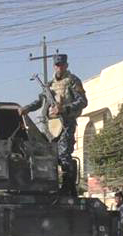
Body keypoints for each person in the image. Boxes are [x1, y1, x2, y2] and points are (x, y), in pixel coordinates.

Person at [19, 53, 88, 194]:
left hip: (66, 123)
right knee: (48, 154)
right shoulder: (49, 85)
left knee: (64, 154)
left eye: (62, 65)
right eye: (57, 65)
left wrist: (65, 108)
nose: (59, 68)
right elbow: (40, 101)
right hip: (50, 126)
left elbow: (82, 101)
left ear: (66, 65)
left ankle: (68, 188)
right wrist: (27, 108)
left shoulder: (73, 81)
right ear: (54, 66)